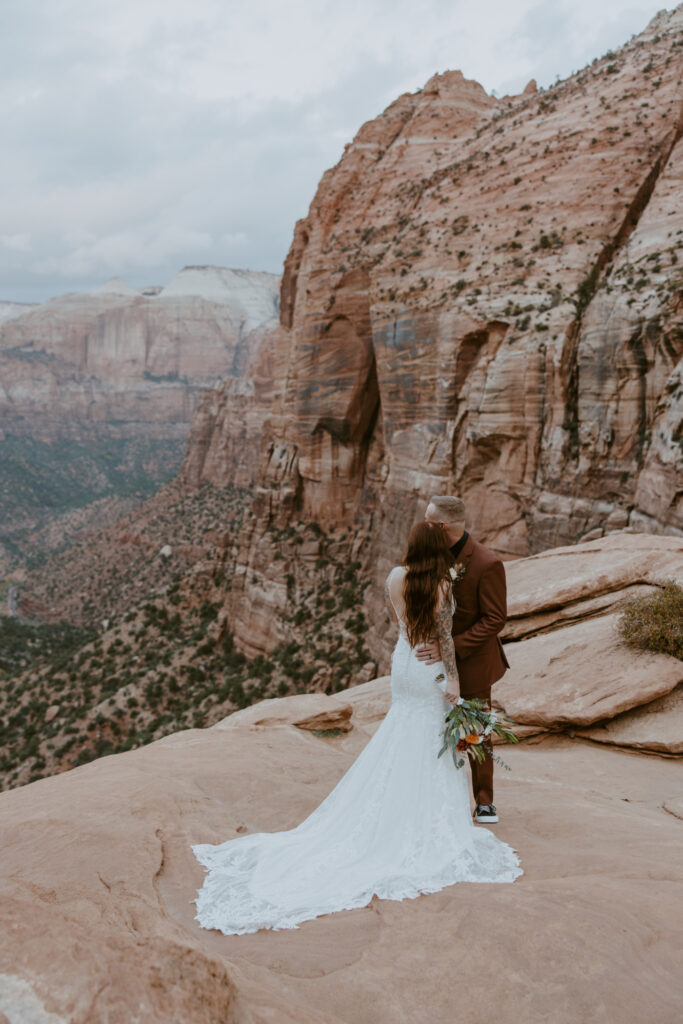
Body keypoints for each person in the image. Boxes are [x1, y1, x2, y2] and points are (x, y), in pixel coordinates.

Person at [191, 521, 521, 936]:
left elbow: (404, 626)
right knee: (429, 737)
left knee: (401, 732)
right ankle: (418, 815)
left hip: (402, 665)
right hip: (428, 668)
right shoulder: (440, 585)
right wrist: (453, 683)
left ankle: (388, 802)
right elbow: (442, 639)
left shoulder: (395, 578)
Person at [418, 495, 509, 824]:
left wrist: (450, 647)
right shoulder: (430, 555)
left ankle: (484, 801)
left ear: (442, 526)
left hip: (471, 661)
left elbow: (495, 619)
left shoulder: (487, 563)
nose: (422, 524)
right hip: (431, 659)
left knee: (477, 730)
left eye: (427, 520)